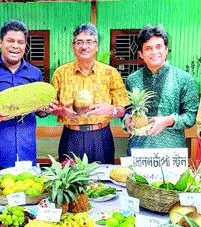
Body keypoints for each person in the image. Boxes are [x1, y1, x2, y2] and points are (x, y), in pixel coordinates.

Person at [0, 20, 45, 174]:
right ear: (1, 42)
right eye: (10, 41)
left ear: (25, 45)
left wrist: (48, 108)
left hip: (27, 154)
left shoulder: (35, 73)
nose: (15, 46)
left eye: (20, 42)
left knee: (27, 195)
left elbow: (40, 111)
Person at [49, 23, 130, 164]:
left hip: (101, 137)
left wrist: (112, 109)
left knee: (102, 182)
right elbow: (50, 107)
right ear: (73, 47)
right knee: (69, 181)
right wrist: (62, 111)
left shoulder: (110, 73)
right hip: (71, 137)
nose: (84, 46)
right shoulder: (60, 73)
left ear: (97, 46)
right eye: (79, 42)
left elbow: (123, 109)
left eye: (89, 42)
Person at [124, 25, 199, 155]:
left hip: (172, 153)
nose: (154, 52)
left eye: (158, 47)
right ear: (141, 54)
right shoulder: (132, 80)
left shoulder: (184, 78)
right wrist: (126, 120)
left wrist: (168, 120)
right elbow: (126, 109)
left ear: (166, 49)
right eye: (148, 48)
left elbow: (191, 117)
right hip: (138, 151)